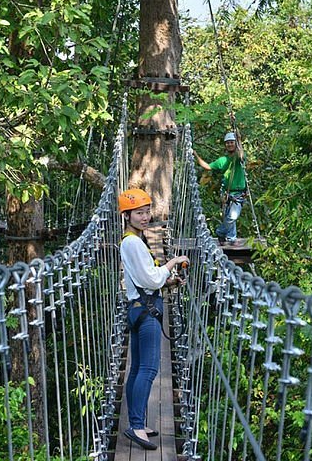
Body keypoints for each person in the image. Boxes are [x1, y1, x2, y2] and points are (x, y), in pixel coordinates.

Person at [118, 188, 189, 450]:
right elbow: (151, 278)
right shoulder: (133, 242)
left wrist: (168, 282)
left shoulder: (135, 241)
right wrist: (172, 263)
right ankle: (136, 426)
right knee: (148, 369)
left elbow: (146, 279)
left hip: (140, 307)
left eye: (147, 211)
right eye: (139, 212)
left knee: (137, 369)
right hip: (146, 311)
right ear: (127, 216)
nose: (145, 216)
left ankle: (139, 422)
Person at [193, 131, 247, 246]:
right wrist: (196, 155)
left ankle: (220, 232)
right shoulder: (222, 160)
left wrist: (239, 141)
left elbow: (241, 155)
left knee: (232, 216)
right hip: (227, 193)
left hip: (238, 193)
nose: (229, 145)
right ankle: (231, 238)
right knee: (229, 217)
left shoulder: (239, 157)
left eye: (232, 142)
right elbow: (207, 167)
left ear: (235, 143)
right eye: (227, 143)